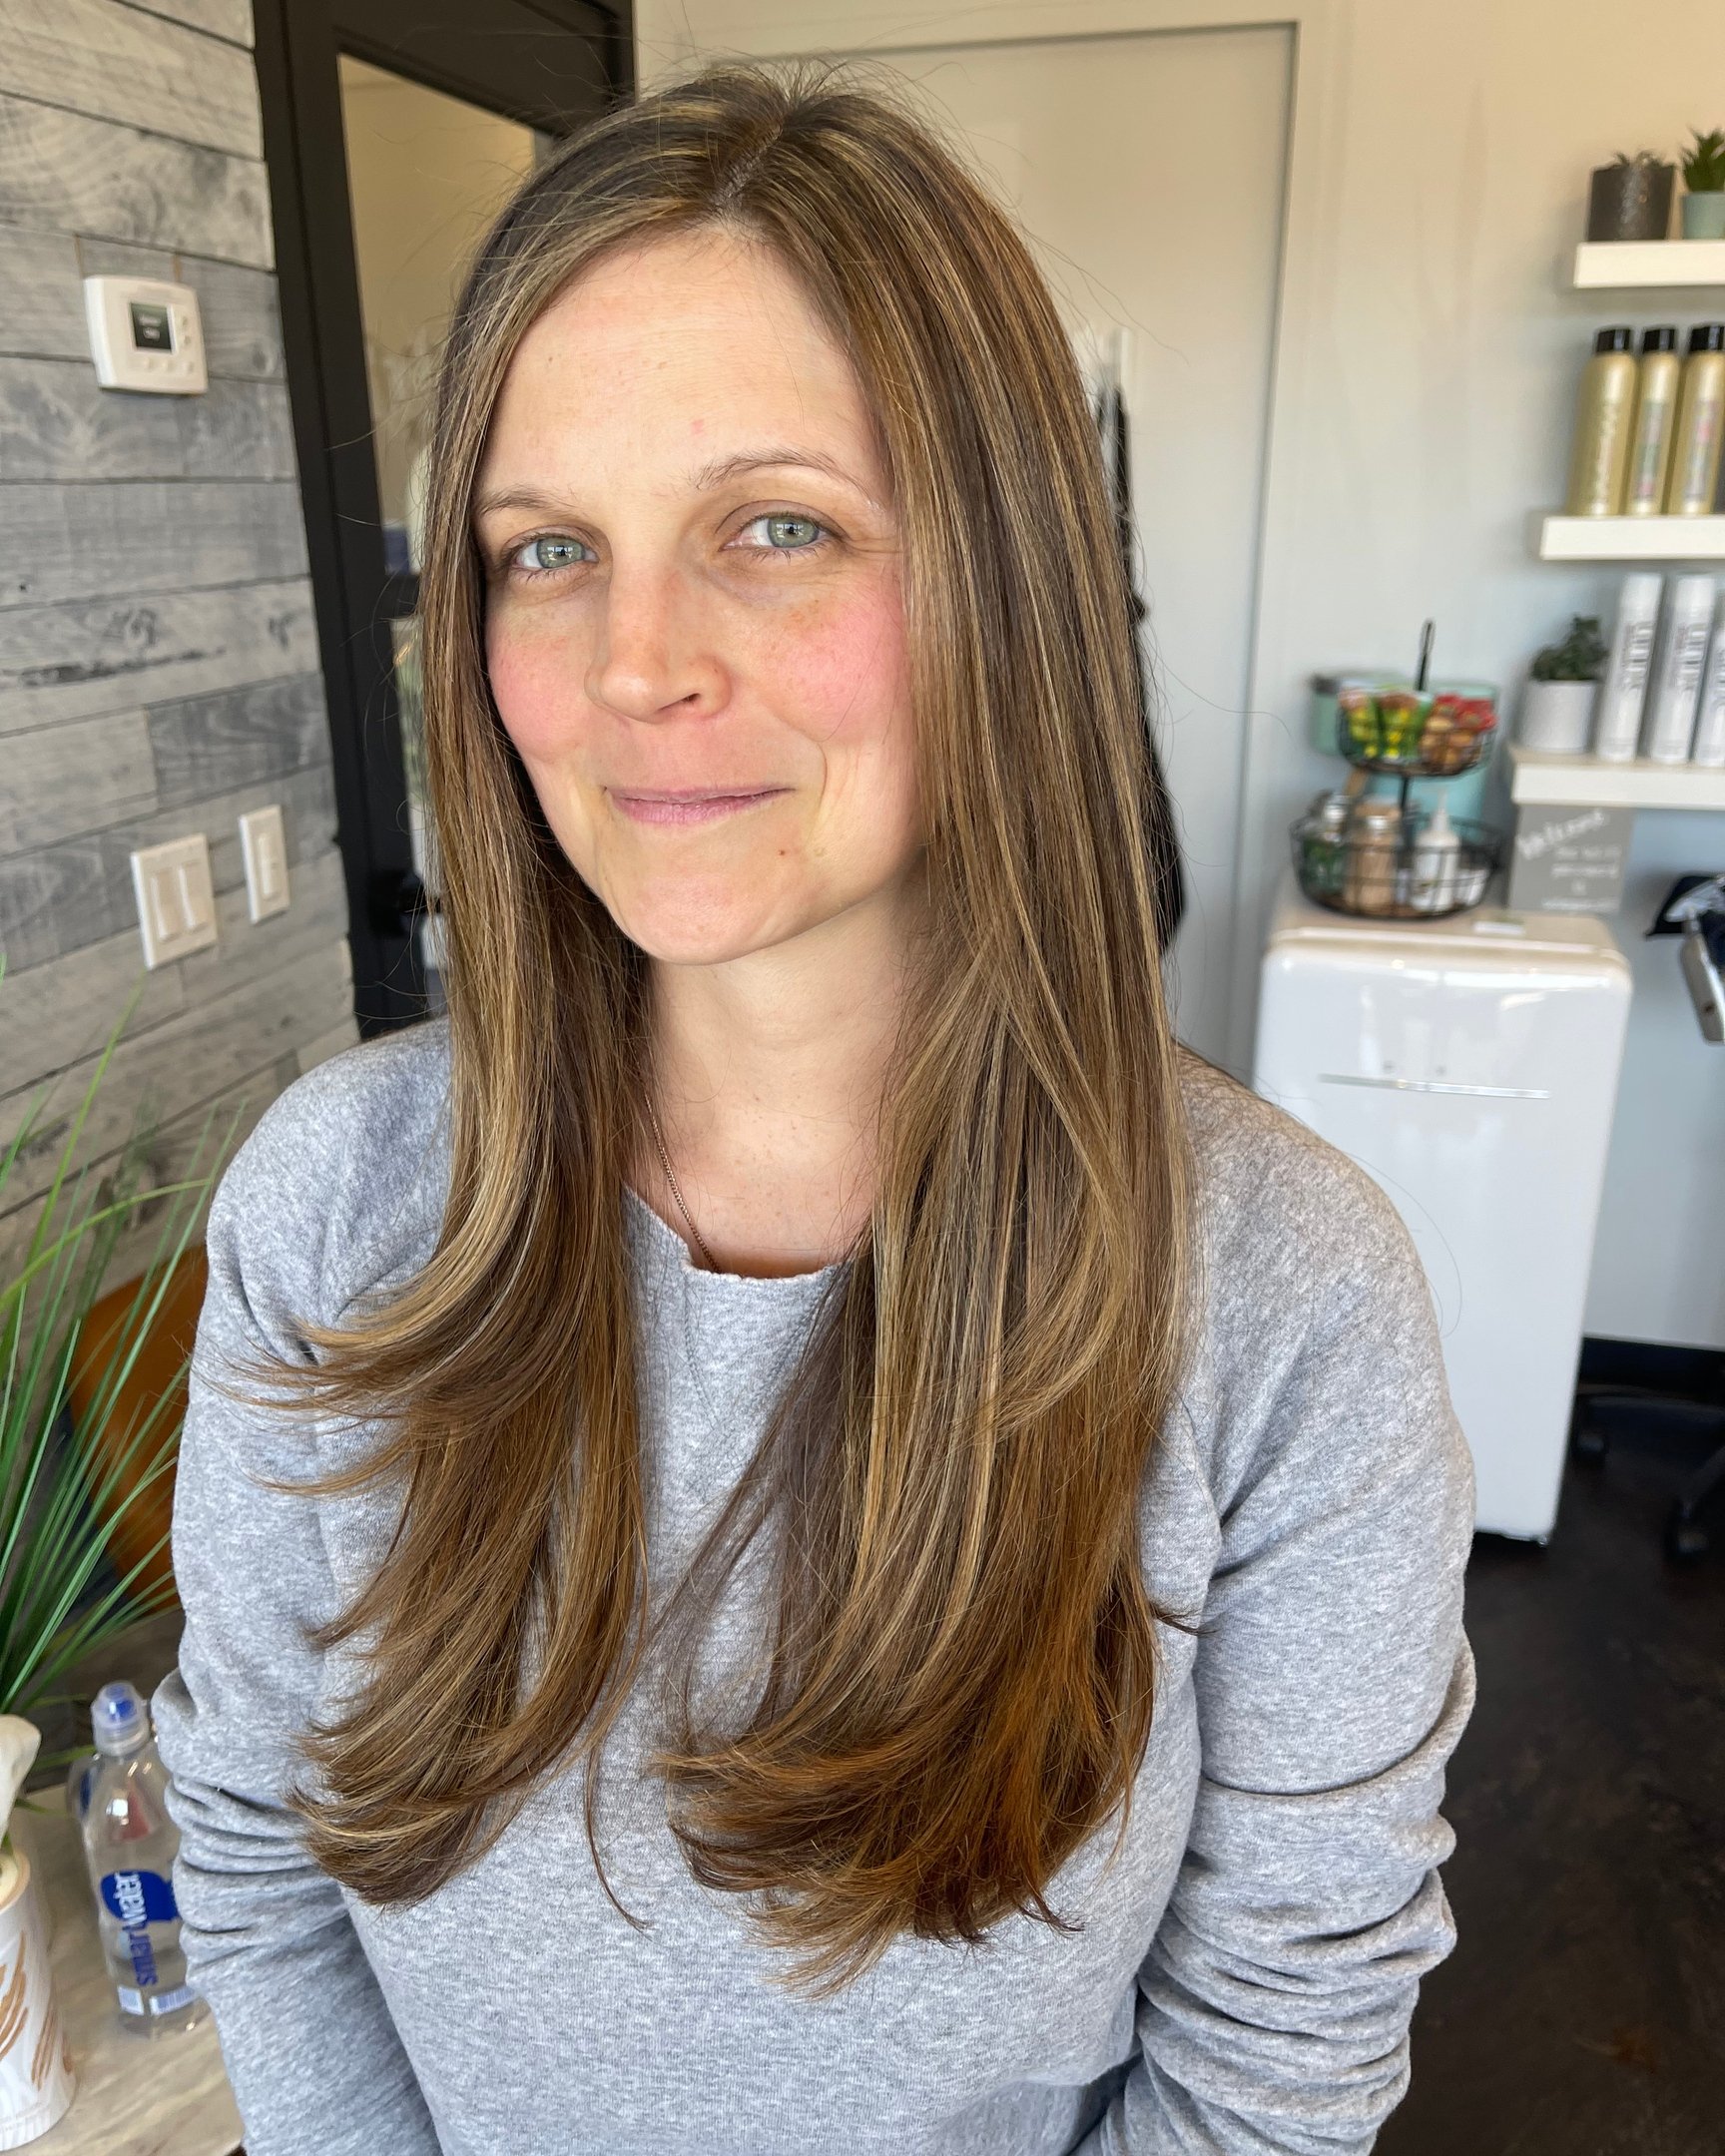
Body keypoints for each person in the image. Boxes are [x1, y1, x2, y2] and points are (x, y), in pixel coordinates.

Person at [153, 61, 1475, 2156]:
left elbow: (1281, 2040)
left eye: (777, 527)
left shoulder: (1285, 1295)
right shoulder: (336, 1204)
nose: (634, 662)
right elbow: (249, 1843)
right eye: (547, 547)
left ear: (1004, 582)